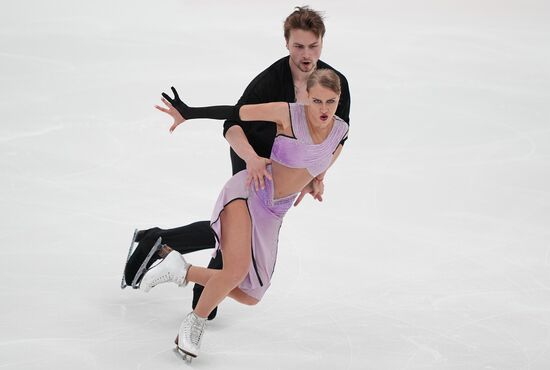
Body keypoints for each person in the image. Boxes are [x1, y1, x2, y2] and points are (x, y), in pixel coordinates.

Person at [121, 6, 351, 321]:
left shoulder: (332, 84)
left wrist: (316, 175)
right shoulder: (270, 81)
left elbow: (337, 138)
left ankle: (186, 265)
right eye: (299, 46)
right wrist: (251, 158)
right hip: (253, 159)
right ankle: (161, 241)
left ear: (322, 43)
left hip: (288, 166)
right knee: (238, 227)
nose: (306, 54)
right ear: (286, 44)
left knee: (240, 239)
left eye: (313, 46)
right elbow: (234, 121)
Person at [143, 68, 349, 360]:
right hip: (250, 192)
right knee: (235, 272)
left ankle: (181, 270)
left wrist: (317, 179)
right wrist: (189, 113)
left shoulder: (341, 130)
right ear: (306, 98)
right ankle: (191, 328)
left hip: (274, 213)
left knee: (251, 294)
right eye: (317, 101)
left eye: (330, 101)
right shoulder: (289, 114)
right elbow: (236, 112)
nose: (323, 109)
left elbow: (329, 154)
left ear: (339, 99)